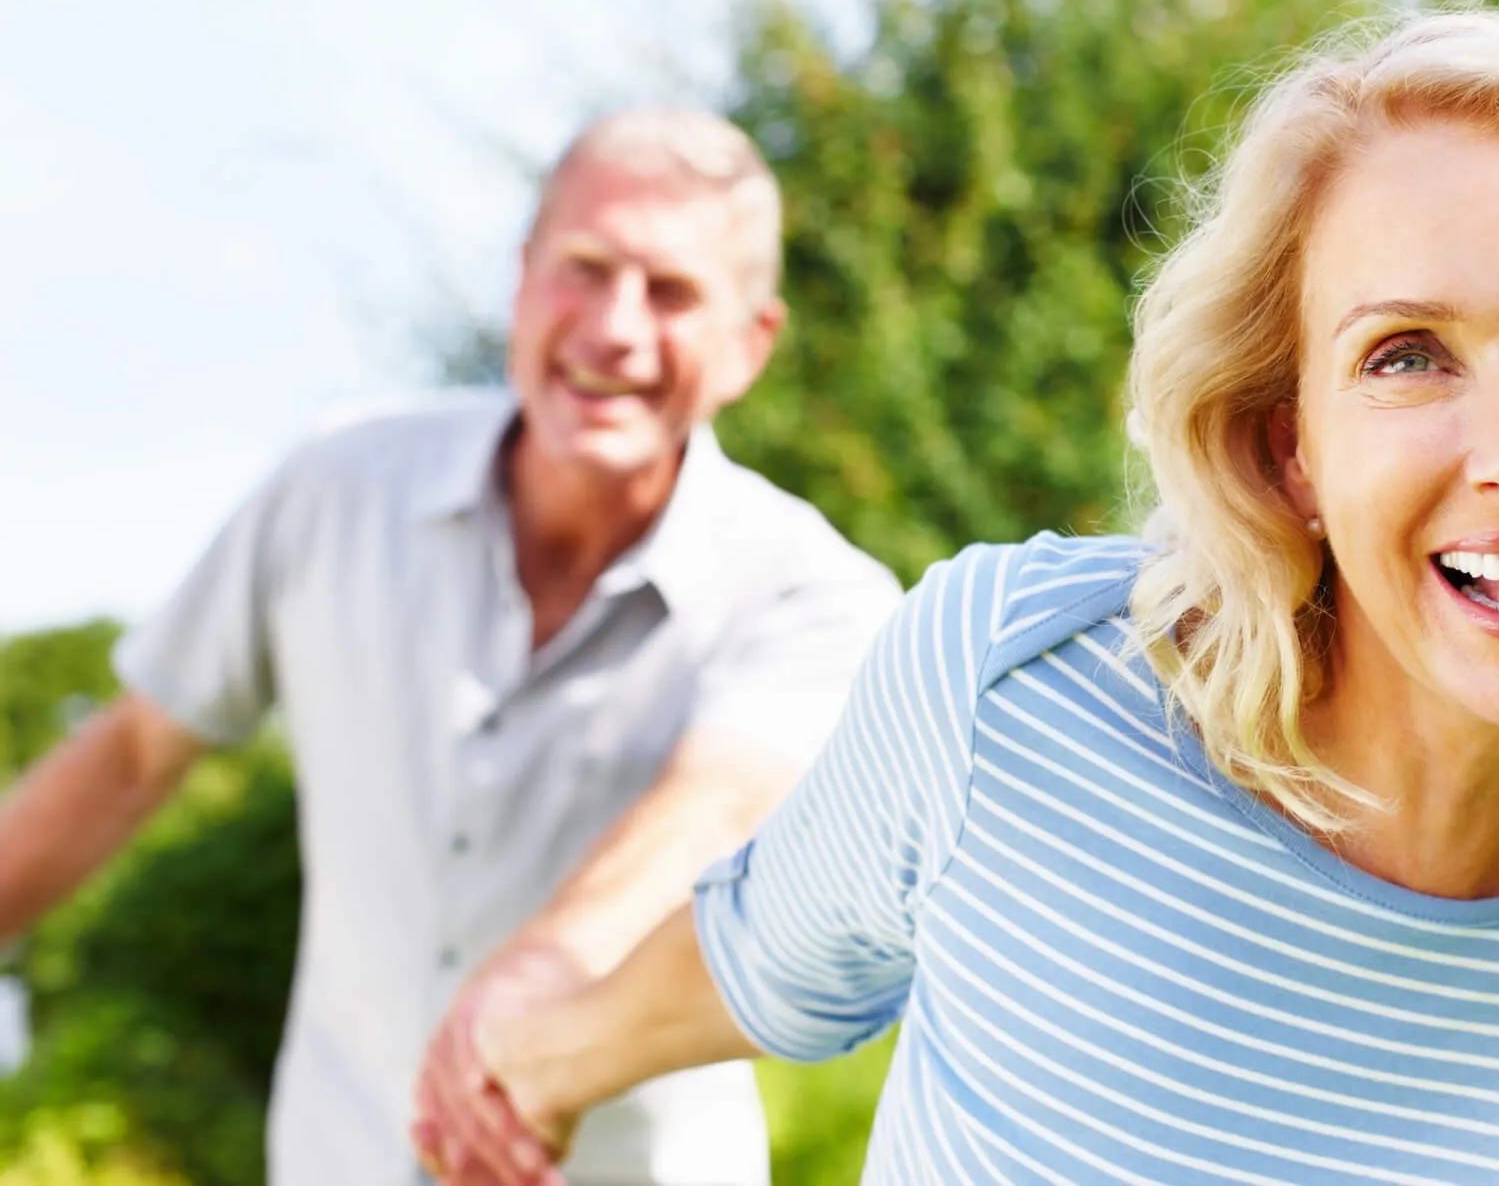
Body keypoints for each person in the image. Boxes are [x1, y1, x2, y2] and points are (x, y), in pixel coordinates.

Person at [431, 13, 1499, 1185]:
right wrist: (521, 1057)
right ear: (1287, 449)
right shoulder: (1016, 687)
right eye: (1406, 356)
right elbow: (768, 954)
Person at [0, 110, 902, 1186]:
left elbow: (717, 803)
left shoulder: (821, 590)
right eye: (586, 267)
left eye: (671, 292)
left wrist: (540, 972)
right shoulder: (335, 487)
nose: (616, 328)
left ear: (750, 344)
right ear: (523, 282)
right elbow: (137, 750)